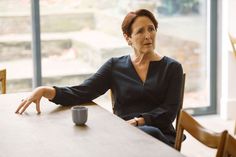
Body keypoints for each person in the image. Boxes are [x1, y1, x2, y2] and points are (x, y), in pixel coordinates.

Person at [15, 9, 183, 146]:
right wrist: (46, 90)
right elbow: (83, 92)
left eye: (151, 29)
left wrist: (139, 122)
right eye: (140, 31)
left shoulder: (172, 68)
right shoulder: (115, 66)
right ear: (128, 38)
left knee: (149, 132)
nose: (148, 36)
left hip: (159, 135)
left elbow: (168, 112)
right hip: (123, 135)